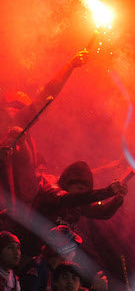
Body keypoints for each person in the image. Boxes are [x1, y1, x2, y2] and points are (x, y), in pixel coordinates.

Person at [0, 51, 89, 209]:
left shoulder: (26, 140)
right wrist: (69, 67)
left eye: (21, 108)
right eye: (12, 106)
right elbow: (47, 94)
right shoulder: (8, 124)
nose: (17, 111)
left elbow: (46, 97)